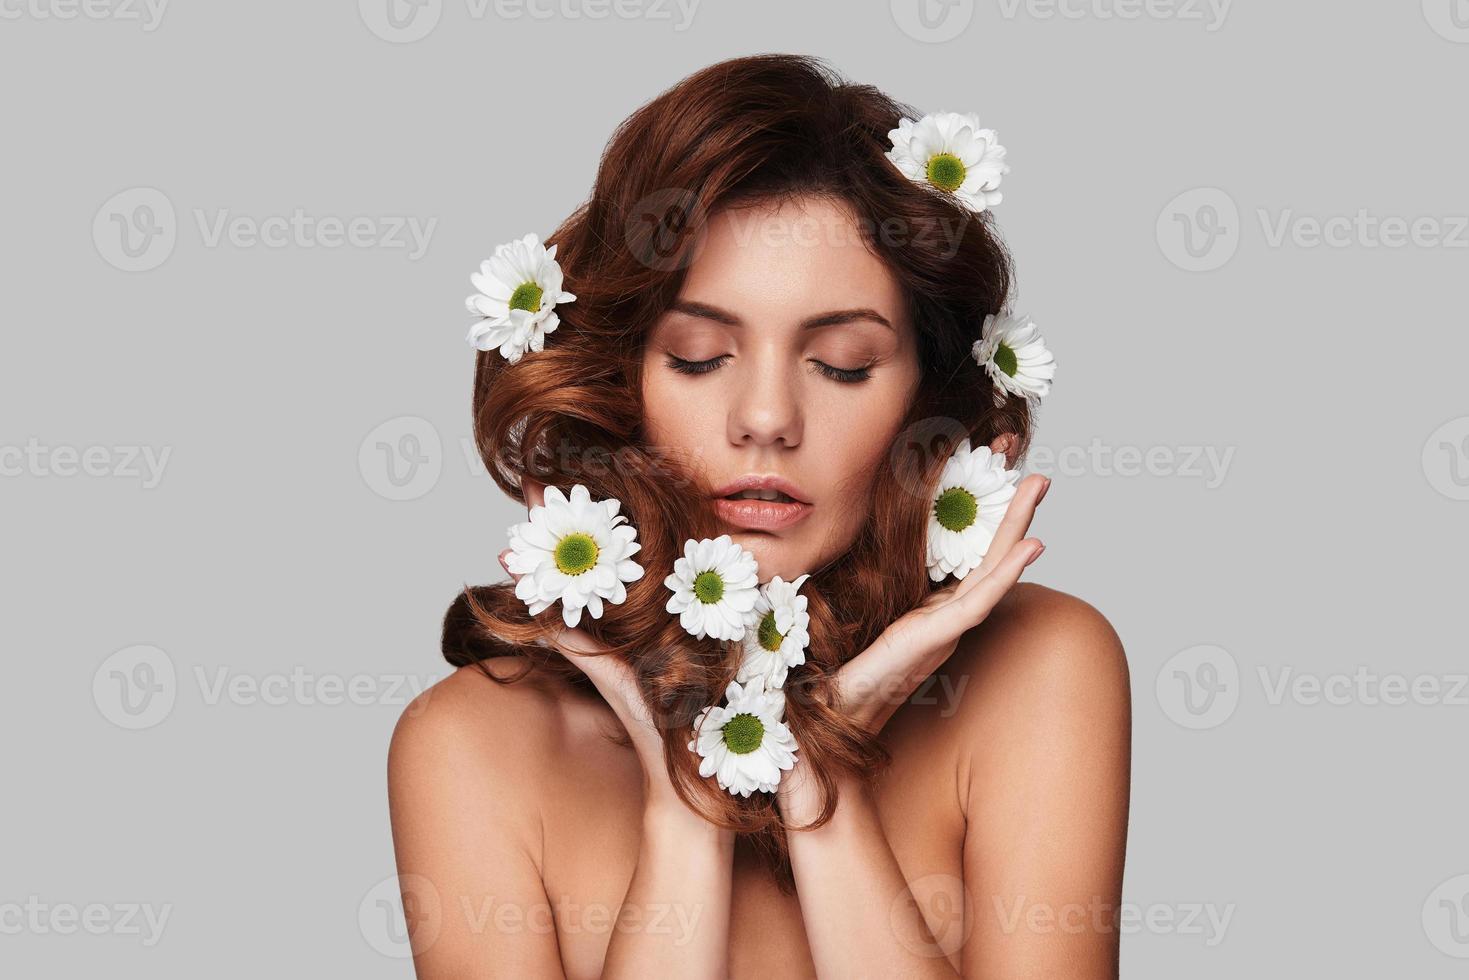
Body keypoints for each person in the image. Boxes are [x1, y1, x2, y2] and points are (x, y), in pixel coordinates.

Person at [389, 53, 1130, 979]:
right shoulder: (471, 747)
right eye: (700, 356)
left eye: (843, 364)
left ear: (923, 402)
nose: (767, 419)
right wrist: (684, 813)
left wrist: (823, 792)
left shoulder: (1039, 666)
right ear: (621, 385)